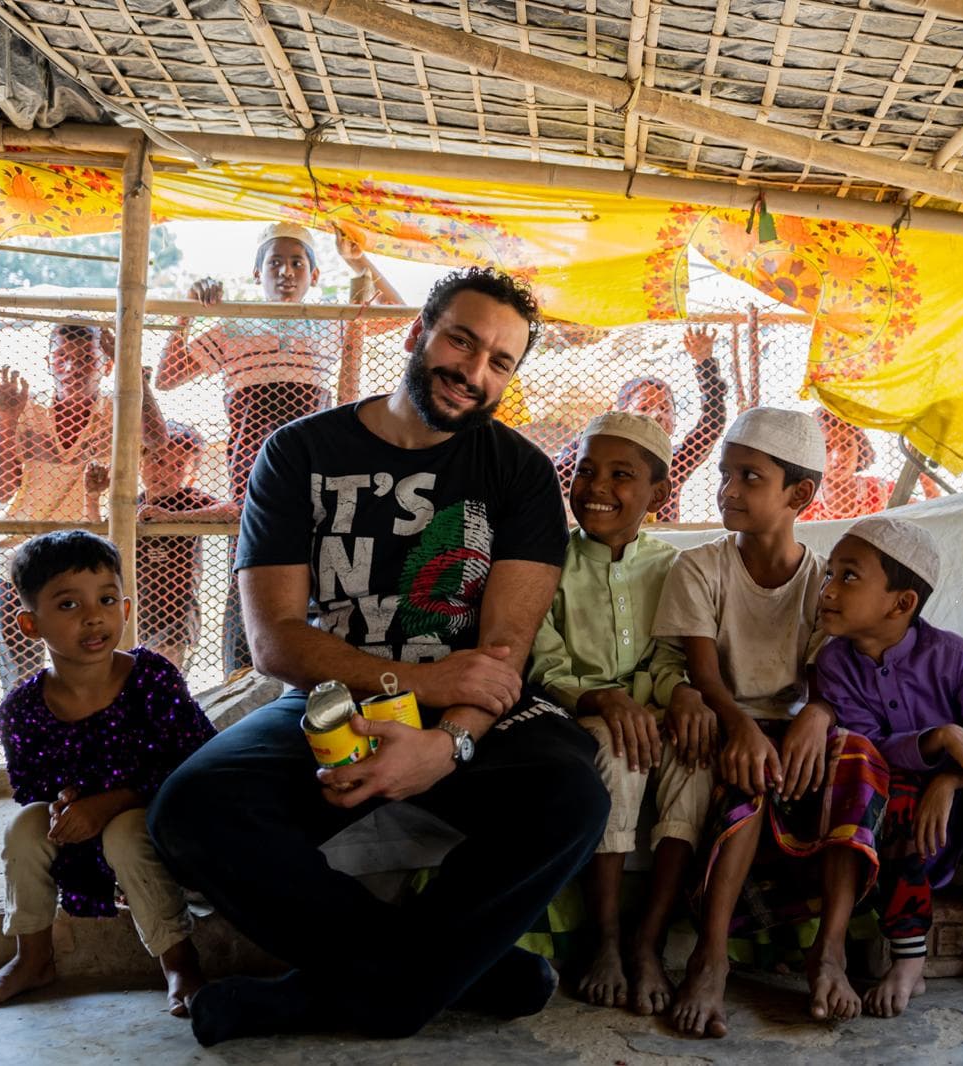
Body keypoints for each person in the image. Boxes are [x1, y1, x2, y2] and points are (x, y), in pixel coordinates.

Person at [147, 268, 609, 1046]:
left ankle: (350, 995)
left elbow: (501, 654)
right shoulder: (299, 453)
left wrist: (445, 745)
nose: (473, 372)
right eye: (461, 341)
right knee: (192, 810)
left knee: (573, 796)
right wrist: (415, 680)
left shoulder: (521, 473)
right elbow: (275, 640)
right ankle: (445, 980)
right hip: (337, 699)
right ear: (418, 333)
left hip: (474, 712)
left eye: (499, 361)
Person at [653, 407, 889, 1037]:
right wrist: (742, 727)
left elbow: (829, 674)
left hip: (795, 727)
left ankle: (830, 951)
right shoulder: (700, 567)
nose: (727, 489)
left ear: (799, 495)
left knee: (859, 757)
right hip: (730, 720)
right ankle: (710, 957)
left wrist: (818, 712)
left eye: (749, 477)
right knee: (752, 772)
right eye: (724, 473)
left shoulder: (824, 582)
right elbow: (704, 673)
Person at [0, 530, 213, 1016]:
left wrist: (111, 802)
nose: (94, 616)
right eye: (69, 605)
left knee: (123, 830)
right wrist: (65, 803)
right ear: (30, 624)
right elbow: (30, 786)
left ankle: (179, 961)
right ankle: (32, 959)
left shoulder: (152, 678)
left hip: (161, 828)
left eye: (107, 599)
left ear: (126, 609)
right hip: (81, 836)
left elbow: (195, 763)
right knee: (24, 828)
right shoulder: (22, 707)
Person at [815, 516, 963, 1016]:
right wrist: (939, 737)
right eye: (829, 573)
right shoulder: (834, 664)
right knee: (889, 789)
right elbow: (869, 746)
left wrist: (950, 778)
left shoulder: (954, 657)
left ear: (901, 604)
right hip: (904, 816)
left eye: (848, 576)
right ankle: (908, 959)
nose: (828, 589)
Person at [528, 411, 718, 1016]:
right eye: (585, 471)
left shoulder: (672, 567)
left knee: (695, 754)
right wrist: (602, 700)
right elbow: (543, 664)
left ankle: (648, 939)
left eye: (621, 475)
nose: (597, 487)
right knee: (617, 751)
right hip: (578, 716)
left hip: (652, 711)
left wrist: (682, 691)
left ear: (658, 495)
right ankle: (606, 938)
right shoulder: (547, 563)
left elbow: (669, 656)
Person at [154, 223, 403, 674]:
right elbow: (167, 377)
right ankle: (240, 675)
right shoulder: (235, 324)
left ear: (314, 274)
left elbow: (399, 313)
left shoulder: (332, 321)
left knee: (321, 567)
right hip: (253, 468)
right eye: (274, 263)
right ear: (256, 273)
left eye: (297, 263)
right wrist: (187, 310)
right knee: (253, 566)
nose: (285, 272)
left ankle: (318, 675)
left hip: (317, 468)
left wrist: (358, 262)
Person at [0, 325, 168, 690]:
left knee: (92, 665)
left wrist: (132, 369)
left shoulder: (120, 410)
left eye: (87, 358)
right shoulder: (26, 410)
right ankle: (27, 720)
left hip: (90, 552)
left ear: (107, 365)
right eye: (62, 358)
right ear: (48, 362)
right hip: (19, 551)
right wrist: (7, 420)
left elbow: (157, 439)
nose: (73, 368)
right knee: (22, 672)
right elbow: (1, 489)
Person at [84, 422, 237, 671]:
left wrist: (173, 518)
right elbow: (102, 543)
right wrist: (92, 497)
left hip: (174, 619)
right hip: (135, 614)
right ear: (140, 463)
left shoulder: (189, 500)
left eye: (177, 467)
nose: (164, 472)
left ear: (191, 476)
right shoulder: (132, 503)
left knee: (161, 683)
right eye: (157, 460)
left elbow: (231, 511)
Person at [555, 325, 728, 523]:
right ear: (622, 413)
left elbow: (711, 424)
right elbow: (559, 477)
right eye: (645, 407)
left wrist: (705, 366)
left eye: (665, 408)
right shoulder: (595, 459)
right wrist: (600, 432)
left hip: (663, 537)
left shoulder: (674, 462)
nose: (656, 415)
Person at [800, 408, 939, 522]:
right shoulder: (804, 500)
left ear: (860, 447)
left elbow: (935, 514)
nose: (838, 457)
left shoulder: (879, 492)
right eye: (827, 447)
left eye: (847, 445)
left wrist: (917, 460)